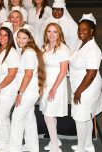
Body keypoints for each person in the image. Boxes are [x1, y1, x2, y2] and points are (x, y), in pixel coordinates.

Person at [9, 27, 46, 152]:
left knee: (16, 117)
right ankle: (32, 146)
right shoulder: (27, 51)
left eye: (24, 38)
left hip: (28, 92)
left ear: (29, 39)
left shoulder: (29, 53)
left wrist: (20, 93)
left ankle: (14, 148)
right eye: (18, 37)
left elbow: (28, 75)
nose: (20, 40)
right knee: (29, 118)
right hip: (30, 91)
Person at [70, 14, 102, 152]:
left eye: (85, 30)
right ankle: (88, 145)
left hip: (86, 87)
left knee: (80, 117)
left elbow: (91, 74)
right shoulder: (81, 42)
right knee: (86, 116)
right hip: (82, 85)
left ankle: (81, 148)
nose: (81, 32)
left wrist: (78, 91)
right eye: (79, 29)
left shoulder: (93, 49)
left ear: (92, 31)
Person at [40, 23, 70, 152]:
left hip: (56, 85)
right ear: (46, 33)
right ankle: (55, 141)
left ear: (59, 34)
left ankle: (55, 148)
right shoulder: (46, 47)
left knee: (48, 115)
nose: (51, 35)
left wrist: (53, 88)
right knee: (51, 114)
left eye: (55, 32)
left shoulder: (63, 48)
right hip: (47, 84)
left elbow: (63, 71)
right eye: (49, 31)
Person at [0, 26, 19, 152]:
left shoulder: (12, 52)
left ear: (10, 37)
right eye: (0, 35)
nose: (2, 38)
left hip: (7, 89)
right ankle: (8, 145)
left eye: (5, 35)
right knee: (4, 118)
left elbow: (12, 74)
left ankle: (4, 148)